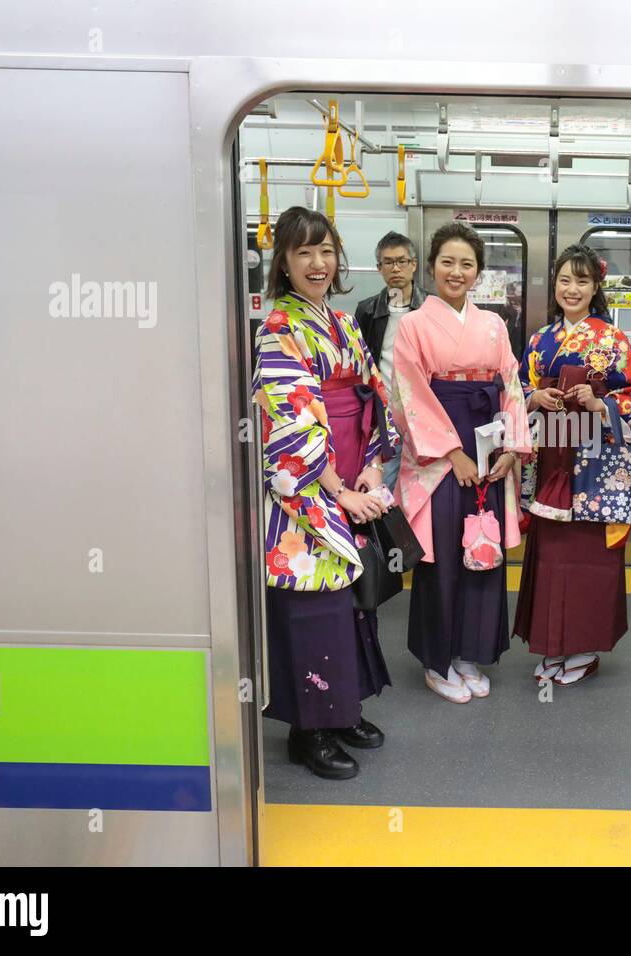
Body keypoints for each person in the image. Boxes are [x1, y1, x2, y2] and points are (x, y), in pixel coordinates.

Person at [252, 206, 398, 781]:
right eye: (304, 252)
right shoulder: (278, 328)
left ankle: (342, 711)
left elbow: (369, 394)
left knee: (348, 610)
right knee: (311, 609)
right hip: (306, 494)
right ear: (283, 262)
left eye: (326, 251)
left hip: (348, 476)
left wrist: (371, 468)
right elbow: (290, 420)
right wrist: (336, 488)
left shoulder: (339, 323)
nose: (318, 263)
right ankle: (306, 731)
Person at [391, 222, 531, 703]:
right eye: (447, 261)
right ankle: (437, 659)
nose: (456, 271)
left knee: (482, 552)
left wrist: (511, 447)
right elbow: (408, 393)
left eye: (466, 264)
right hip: (441, 458)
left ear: (478, 274)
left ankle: (468, 652)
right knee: (441, 557)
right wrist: (453, 454)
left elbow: (511, 385)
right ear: (431, 267)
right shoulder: (412, 325)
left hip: (488, 453)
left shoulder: (493, 325)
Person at [514, 244, 631, 685]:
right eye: (565, 280)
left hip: (594, 457)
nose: (572, 289)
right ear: (554, 285)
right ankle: (552, 646)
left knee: (588, 554)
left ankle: (585, 649)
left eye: (582, 280)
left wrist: (599, 402)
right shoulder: (539, 340)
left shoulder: (611, 339)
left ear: (596, 288)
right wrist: (533, 396)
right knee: (551, 554)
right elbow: (516, 388)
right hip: (551, 451)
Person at [353, 231, 426, 492]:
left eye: (402, 261)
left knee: (422, 480)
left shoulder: (430, 307)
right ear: (379, 268)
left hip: (422, 408)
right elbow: (360, 362)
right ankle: (382, 532)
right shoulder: (367, 310)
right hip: (384, 409)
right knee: (385, 478)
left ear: (413, 265)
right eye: (388, 262)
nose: (396, 268)